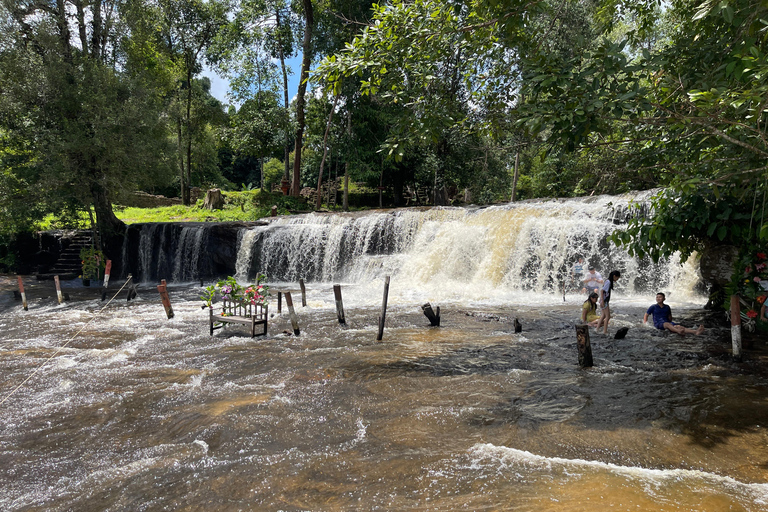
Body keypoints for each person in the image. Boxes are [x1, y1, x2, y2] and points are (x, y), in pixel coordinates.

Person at [597, 270, 620, 334]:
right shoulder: (608, 282)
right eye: (617, 278)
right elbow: (602, 291)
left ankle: (597, 329)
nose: (617, 280)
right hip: (604, 301)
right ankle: (605, 331)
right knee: (608, 316)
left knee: (603, 315)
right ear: (614, 276)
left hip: (603, 300)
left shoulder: (608, 281)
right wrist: (603, 301)